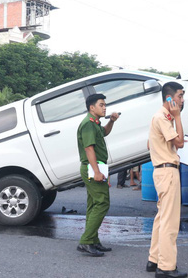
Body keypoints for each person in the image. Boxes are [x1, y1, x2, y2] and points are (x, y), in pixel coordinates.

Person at [146, 82, 188, 278]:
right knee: (170, 222)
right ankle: (166, 267)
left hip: (161, 171)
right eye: (180, 96)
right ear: (170, 98)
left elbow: (150, 144)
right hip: (167, 171)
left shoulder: (160, 118)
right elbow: (179, 142)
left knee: (161, 218)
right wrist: (178, 117)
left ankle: (154, 259)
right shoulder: (163, 118)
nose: (182, 99)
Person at [76, 93, 119, 257]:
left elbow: (104, 132)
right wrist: (96, 171)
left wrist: (112, 121)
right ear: (91, 107)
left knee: (93, 205)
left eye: (105, 105)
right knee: (102, 203)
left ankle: (92, 240)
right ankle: (86, 241)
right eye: (101, 105)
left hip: (95, 167)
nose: (104, 107)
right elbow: (89, 149)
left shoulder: (94, 123)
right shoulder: (88, 124)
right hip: (92, 168)